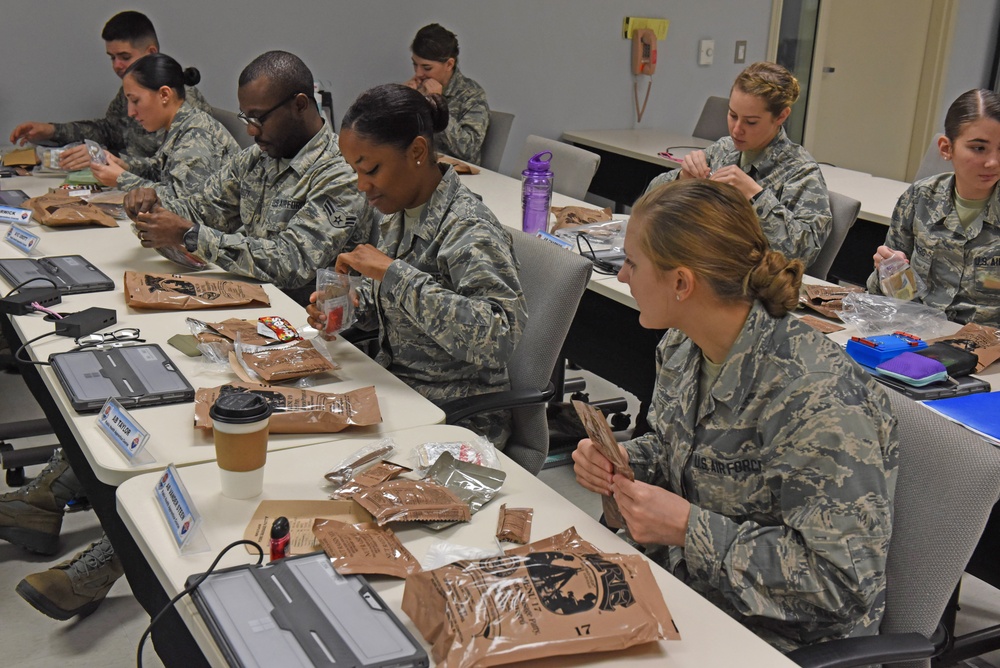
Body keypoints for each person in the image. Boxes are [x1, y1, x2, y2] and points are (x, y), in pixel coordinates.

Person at [572, 179, 898, 651]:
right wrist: (623, 460)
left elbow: (842, 585)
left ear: (682, 282)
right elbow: (677, 447)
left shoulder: (816, 396)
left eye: (632, 263)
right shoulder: (685, 343)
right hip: (692, 593)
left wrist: (688, 528)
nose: (622, 277)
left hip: (778, 640)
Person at [306, 83, 525, 446]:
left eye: (371, 169)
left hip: (457, 417)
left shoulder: (469, 227)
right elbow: (404, 315)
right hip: (401, 393)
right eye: (355, 171)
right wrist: (348, 310)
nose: (362, 185)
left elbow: (499, 338)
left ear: (418, 152)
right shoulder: (399, 211)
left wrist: (392, 273)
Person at [123, 50, 369, 305]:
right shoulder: (256, 159)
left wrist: (192, 236)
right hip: (253, 299)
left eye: (259, 118)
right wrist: (151, 208)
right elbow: (202, 210)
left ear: (300, 105)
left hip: (306, 317)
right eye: (246, 117)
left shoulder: (341, 173)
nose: (251, 130)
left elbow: (292, 263)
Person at [646, 62, 831, 267]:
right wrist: (682, 179)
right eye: (732, 115)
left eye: (751, 122)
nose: (736, 130)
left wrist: (755, 195)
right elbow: (647, 202)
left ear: (781, 116)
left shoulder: (801, 172)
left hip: (752, 284)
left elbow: (803, 255)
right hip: (703, 264)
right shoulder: (724, 150)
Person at [8, 10, 213, 173]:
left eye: (124, 56)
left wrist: (107, 159)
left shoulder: (183, 104)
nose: (117, 65)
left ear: (151, 53)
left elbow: (167, 171)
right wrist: (52, 131)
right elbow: (110, 130)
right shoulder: (132, 91)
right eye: (112, 57)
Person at [868, 88, 1000, 327]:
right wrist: (889, 273)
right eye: (979, 148)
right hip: (916, 335)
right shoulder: (919, 199)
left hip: (988, 351)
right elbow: (892, 297)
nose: (993, 162)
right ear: (946, 148)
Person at [89, 52, 240, 200]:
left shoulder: (196, 134)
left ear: (164, 95)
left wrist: (122, 180)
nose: (130, 112)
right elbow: (159, 170)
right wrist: (124, 166)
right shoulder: (181, 124)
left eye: (135, 101)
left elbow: (184, 203)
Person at [405, 23, 490, 165]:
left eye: (427, 67)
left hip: (455, 177)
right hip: (417, 168)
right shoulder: (417, 88)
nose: (418, 73)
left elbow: (468, 150)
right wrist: (401, 101)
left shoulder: (472, 95)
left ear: (449, 64)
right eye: (415, 64)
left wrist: (438, 105)